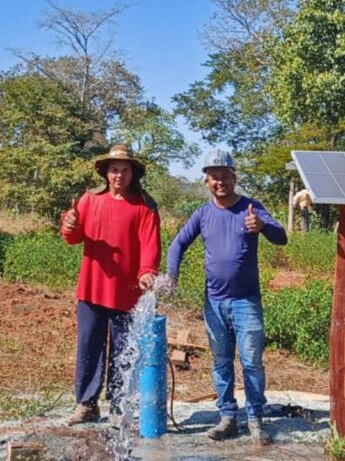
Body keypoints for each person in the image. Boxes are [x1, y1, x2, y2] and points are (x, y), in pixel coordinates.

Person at [166, 149, 287, 445]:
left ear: (235, 177)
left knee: (252, 362)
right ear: (207, 182)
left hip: (246, 302)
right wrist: (172, 275)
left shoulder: (251, 208)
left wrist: (262, 226)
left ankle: (255, 418)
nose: (220, 182)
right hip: (214, 303)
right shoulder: (203, 213)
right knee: (221, 362)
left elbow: (281, 236)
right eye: (214, 177)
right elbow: (178, 243)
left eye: (225, 176)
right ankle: (228, 417)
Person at [61, 144, 161, 425]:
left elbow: (150, 245)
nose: (119, 175)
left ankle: (119, 407)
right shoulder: (89, 200)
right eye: (114, 169)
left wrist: (146, 271)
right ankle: (87, 404)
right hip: (92, 288)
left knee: (124, 350)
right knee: (89, 347)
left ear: (133, 174)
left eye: (124, 170)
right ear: (106, 172)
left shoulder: (144, 205)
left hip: (127, 293)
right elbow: (72, 236)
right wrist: (68, 224)